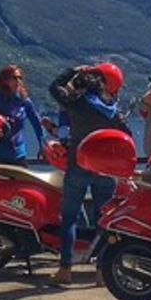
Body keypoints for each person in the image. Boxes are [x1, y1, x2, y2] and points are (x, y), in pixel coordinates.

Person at [48, 61, 128, 286]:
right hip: (105, 170)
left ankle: (65, 270)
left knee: (70, 218)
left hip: (78, 166)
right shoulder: (112, 110)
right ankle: (102, 272)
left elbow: (54, 87)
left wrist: (73, 70)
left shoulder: (77, 103)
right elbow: (126, 134)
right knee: (104, 222)